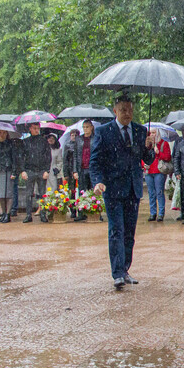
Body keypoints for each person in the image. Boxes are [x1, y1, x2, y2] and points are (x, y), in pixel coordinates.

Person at [89, 93, 156, 290]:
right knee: (116, 230)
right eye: (124, 110)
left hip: (133, 189)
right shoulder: (103, 132)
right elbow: (95, 161)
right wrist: (98, 181)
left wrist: (149, 148)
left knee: (129, 233)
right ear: (115, 111)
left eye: (131, 110)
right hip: (112, 188)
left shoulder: (140, 131)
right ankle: (117, 273)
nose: (128, 114)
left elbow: (148, 159)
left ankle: (125, 269)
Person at [20, 122, 51, 223]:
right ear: (30, 129)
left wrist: (47, 170)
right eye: (34, 128)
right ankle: (28, 214)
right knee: (28, 194)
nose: (37, 130)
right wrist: (23, 170)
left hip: (41, 170)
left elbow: (48, 156)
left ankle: (43, 214)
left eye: (38, 128)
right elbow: (21, 157)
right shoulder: (25, 142)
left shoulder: (44, 141)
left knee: (42, 193)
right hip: (29, 170)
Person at [0, 129, 20, 222]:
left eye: (4, 132)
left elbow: (14, 158)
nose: (2, 134)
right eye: (0, 132)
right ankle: (4, 213)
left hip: (8, 169)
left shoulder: (11, 144)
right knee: (0, 194)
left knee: (8, 193)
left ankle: (8, 214)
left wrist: (14, 172)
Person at [71, 120, 96, 222]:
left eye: (87, 127)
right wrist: (75, 170)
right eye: (84, 127)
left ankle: (94, 211)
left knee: (93, 191)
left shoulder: (96, 138)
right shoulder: (79, 139)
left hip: (92, 168)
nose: (85, 129)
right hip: (81, 168)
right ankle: (81, 212)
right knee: (82, 191)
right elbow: (75, 155)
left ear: (91, 127)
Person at [144, 128, 172, 222]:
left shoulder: (164, 143)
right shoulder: (146, 145)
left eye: (154, 132)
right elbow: (141, 156)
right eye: (150, 133)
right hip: (149, 172)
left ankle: (161, 213)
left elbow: (168, 157)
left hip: (159, 171)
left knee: (159, 192)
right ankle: (153, 213)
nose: (152, 134)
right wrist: (143, 164)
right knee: (151, 193)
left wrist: (158, 152)